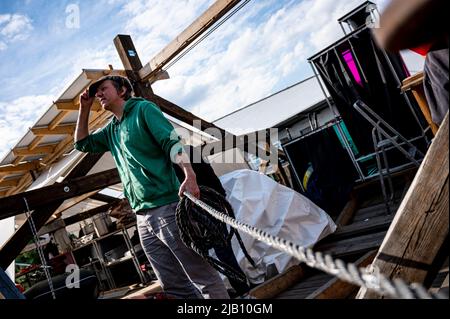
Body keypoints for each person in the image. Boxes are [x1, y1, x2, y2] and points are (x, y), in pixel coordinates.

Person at [73, 75, 229, 299]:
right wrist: (84, 108)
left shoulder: (144, 110)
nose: (98, 94)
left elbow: (171, 142)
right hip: (142, 216)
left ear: (123, 90)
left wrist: (190, 174)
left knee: (200, 274)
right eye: (96, 92)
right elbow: (81, 144)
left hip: (167, 206)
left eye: (104, 89)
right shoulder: (111, 129)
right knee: (172, 284)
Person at [172, 145, 251, 297]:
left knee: (218, 247)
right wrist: (220, 195)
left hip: (203, 203)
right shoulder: (187, 150)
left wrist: (218, 196)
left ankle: (239, 286)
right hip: (201, 203)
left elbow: (205, 173)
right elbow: (209, 172)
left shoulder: (176, 156)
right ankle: (237, 285)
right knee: (217, 247)